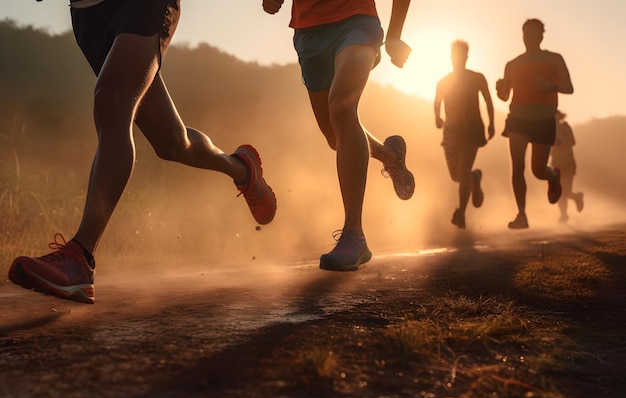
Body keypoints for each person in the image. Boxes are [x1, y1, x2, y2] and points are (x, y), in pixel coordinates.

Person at [8, 0, 277, 304]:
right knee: (172, 143)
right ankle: (242, 168)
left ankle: (80, 257)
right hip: (88, 13)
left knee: (113, 100)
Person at [262, 0, 415, 271]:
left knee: (342, 107)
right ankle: (389, 155)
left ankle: (354, 236)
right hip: (308, 31)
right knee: (335, 136)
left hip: (357, 21)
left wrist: (393, 36)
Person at [496, 18, 573, 229]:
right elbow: (504, 96)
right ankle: (521, 215)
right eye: (525, 33)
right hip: (518, 118)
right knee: (517, 166)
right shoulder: (512, 64)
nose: (529, 37)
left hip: (544, 119)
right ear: (522, 36)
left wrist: (549, 86)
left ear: (541, 35)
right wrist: (501, 90)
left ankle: (552, 174)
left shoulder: (554, 59)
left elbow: (569, 87)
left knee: (537, 171)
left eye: (533, 33)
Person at [434, 40, 495, 229]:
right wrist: (437, 117)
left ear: (467, 57)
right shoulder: (443, 81)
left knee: (463, 171)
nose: (458, 59)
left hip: (472, 128)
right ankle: (474, 178)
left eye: (462, 56)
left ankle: (461, 213)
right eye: (455, 56)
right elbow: (437, 101)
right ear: (451, 57)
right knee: (456, 176)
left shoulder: (477, 78)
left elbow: (488, 101)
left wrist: (492, 123)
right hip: (451, 130)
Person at [550, 109, 584, 223]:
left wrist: (561, 141)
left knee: (566, 190)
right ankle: (564, 214)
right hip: (555, 163)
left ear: (558, 116)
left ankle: (576, 198)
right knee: (559, 191)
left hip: (568, 162)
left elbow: (573, 141)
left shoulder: (565, 126)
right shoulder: (548, 129)